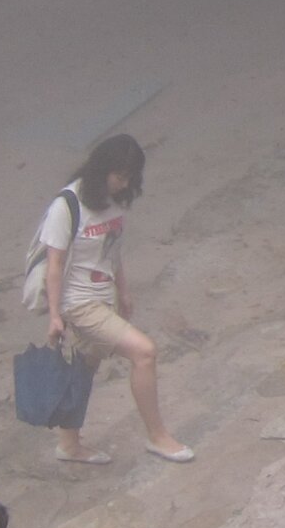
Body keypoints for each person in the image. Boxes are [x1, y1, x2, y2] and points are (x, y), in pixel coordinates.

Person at [33, 132, 193, 464]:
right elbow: (54, 265)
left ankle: (69, 445)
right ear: (102, 169)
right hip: (78, 303)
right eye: (120, 176)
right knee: (144, 352)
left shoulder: (113, 202)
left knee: (82, 368)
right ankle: (158, 437)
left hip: (103, 296)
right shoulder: (67, 206)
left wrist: (123, 291)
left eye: (130, 177)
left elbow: (113, 251)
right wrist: (55, 315)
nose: (124, 184)